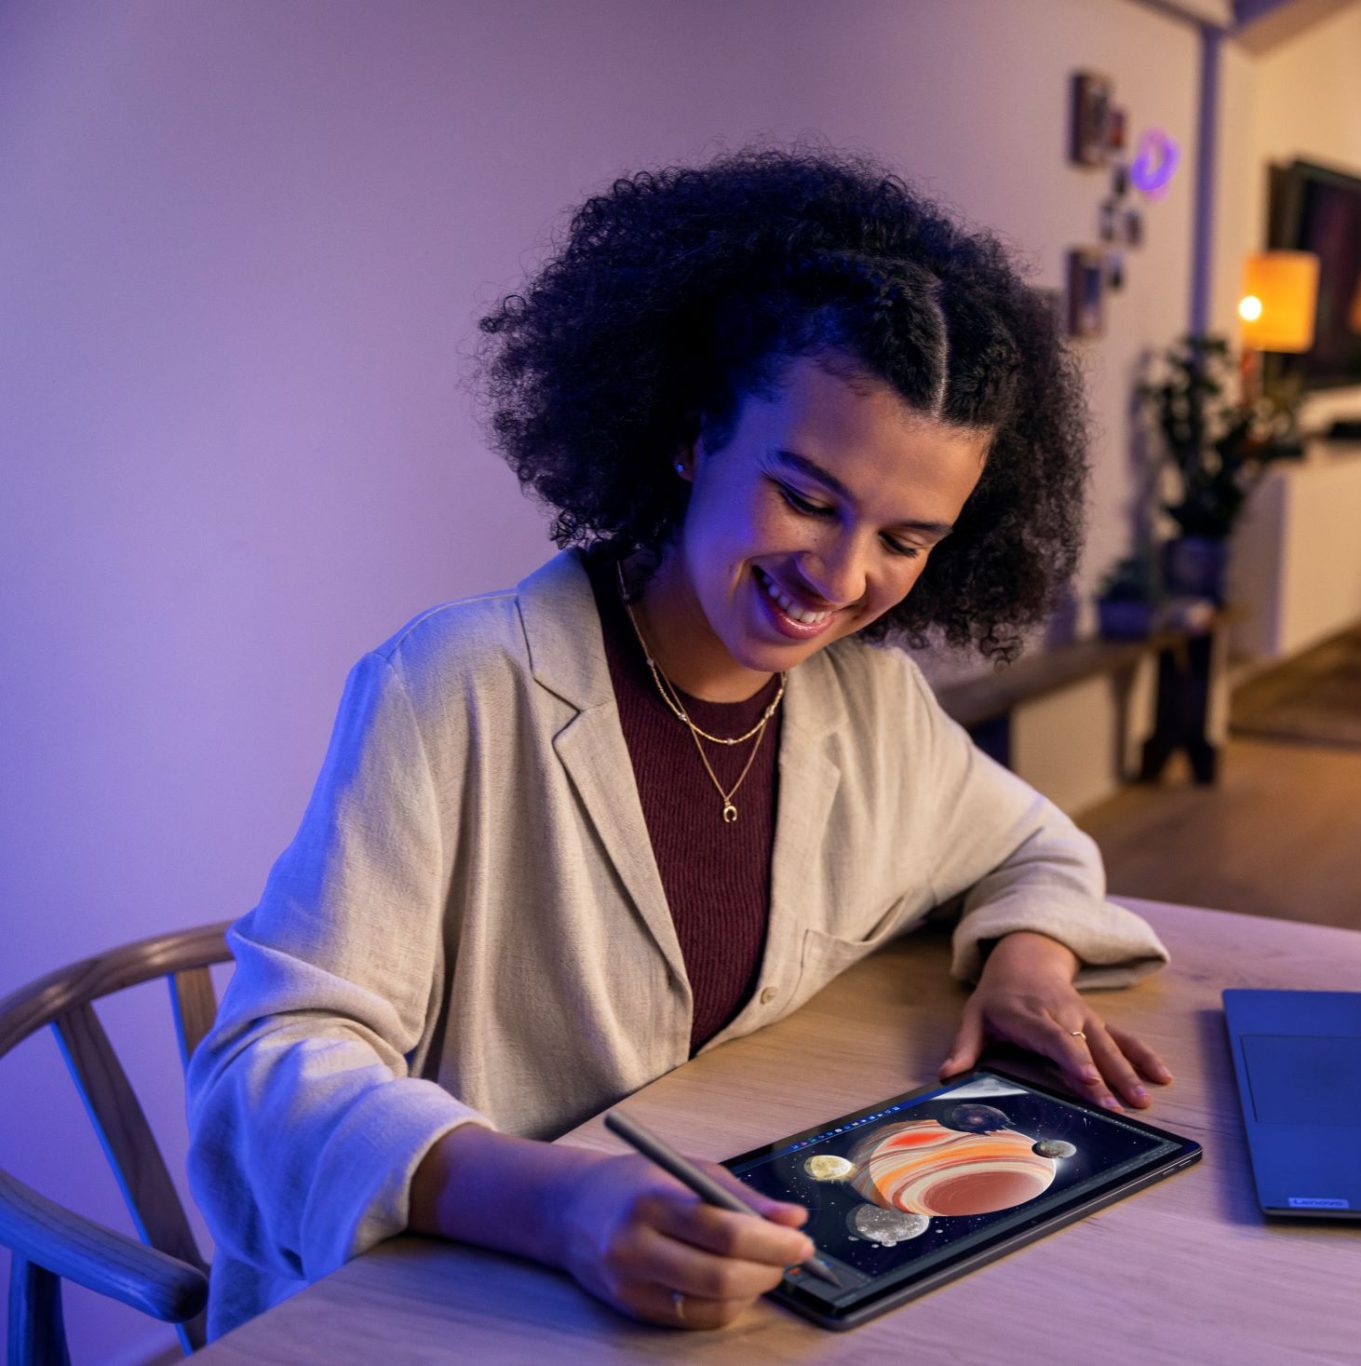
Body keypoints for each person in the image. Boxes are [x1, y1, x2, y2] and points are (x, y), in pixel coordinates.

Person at [186, 149, 1173, 1336]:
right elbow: (264, 1077)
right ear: (695, 431)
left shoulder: (866, 702)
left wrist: (1027, 961)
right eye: (806, 497)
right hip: (466, 1299)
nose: (842, 578)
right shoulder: (456, 686)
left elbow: (1034, 849)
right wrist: (556, 1203)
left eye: (906, 540)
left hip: (715, 1295)